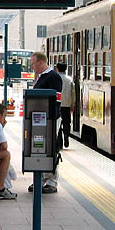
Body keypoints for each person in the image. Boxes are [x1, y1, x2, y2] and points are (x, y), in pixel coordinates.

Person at [29, 51, 62, 194]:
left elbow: (56, 100)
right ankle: (40, 178)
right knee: (40, 148)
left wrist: (50, 119)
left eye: (33, 64)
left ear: (41, 62)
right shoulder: (42, 76)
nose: (32, 67)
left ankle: (51, 181)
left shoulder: (53, 77)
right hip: (40, 119)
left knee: (50, 149)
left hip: (50, 119)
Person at [56, 62, 75, 148]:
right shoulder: (69, 79)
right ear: (66, 69)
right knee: (67, 122)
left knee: (58, 123)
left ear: (57, 69)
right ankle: (66, 135)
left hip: (57, 105)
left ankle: (60, 141)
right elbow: (73, 93)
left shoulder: (55, 78)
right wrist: (72, 104)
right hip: (67, 105)